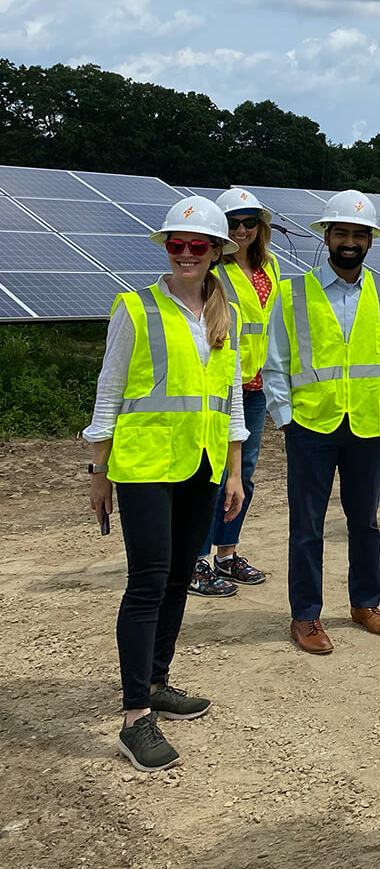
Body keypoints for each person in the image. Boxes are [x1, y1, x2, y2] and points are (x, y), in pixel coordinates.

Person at [84, 197, 248, 772]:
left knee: (181, 575)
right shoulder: (135, 308)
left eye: (196, 245)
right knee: (149, 581)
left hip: (202, 465)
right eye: (175, 244)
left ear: (215, 254)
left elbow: (230, 401)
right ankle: (135, 718)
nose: (184, 253)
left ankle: (156, 682)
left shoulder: (227, 316)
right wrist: (99, 471)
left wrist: (233, 470)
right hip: (146, 464)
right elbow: (109, 392)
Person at [263, 190, 380, 655]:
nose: (350, 241)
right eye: (341, 232)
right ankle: (306, 616)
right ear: (326, 237)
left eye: (359, 234)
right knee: (307, 526)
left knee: (365, 522)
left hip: (371, 425)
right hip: (311, 426)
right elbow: (275, 363)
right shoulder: (293, 293)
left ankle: (365, 603)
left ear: (370, 241)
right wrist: (286, 419)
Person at [189, 187, 281, 597]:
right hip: (221, 385)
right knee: (206, 472)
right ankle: (195, 559)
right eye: (233, 223)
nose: (241, 230)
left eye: (249, 222)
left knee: (240, 475)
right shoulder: (211, 271)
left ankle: (226, 554)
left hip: (258, 386)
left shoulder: (270, 267)